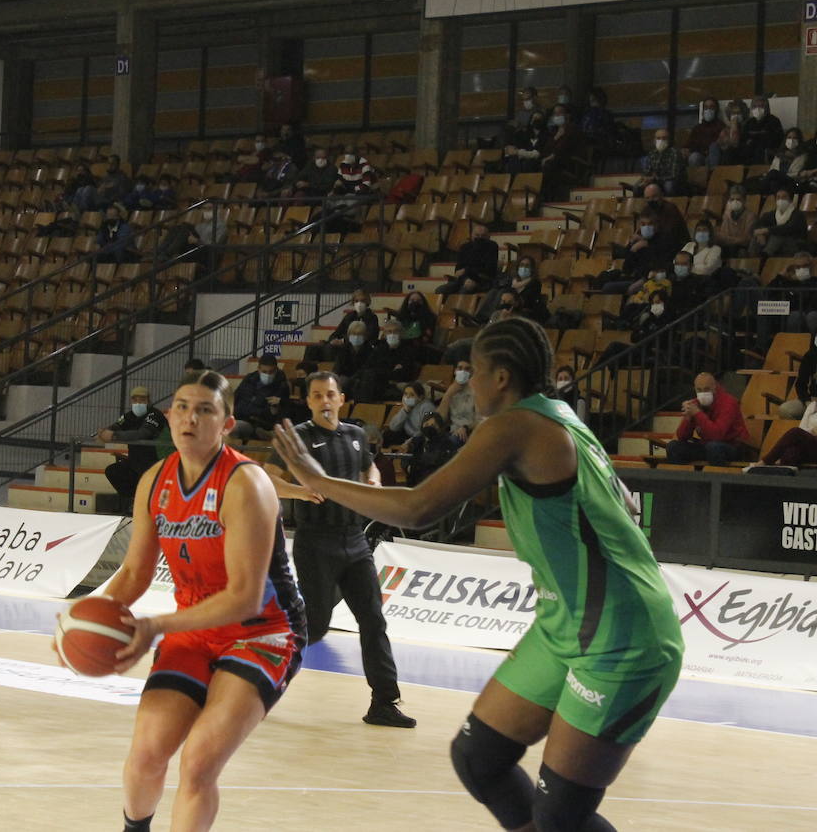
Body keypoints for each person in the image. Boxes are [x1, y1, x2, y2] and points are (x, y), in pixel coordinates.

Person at [271, 317, 682, 832]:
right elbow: (622, 502)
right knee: (478, 757)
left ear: (502, 377)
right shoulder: (561, 418)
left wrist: (319, 480)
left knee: (561, 815)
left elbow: (421, 507)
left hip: (622, 637)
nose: (463, 385)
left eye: (474, 372)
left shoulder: (515, 426)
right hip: (567, 626)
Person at [102, 370, 306, 832]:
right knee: (147, 754)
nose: (189, 417)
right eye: (181, 407)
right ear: (169, 415)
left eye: (204, 409)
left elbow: (244, 597)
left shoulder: (246, 484)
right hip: (194, 627)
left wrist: (155, 625)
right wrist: (89, 618)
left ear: (226, 424)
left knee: (197, 763)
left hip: (263, 630)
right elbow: (134, 573)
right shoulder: (154, 481)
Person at [264, 371, 414, 729]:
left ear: (341, 399)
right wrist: (300, 492)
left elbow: (370, 467)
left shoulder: (357, 435)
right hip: (317, 542)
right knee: (314, 627)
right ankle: (258, 682)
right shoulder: (296, 438)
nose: (325, 401)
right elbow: (266, 477)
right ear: (309, 401)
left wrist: (374, 482)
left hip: (355, 541)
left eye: (331, 394)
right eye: (317, 395)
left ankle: (384, 702)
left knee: (373, 618)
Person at [759, 372, 817, 467]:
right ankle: (784, 475)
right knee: (792, 451)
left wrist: (810, 432)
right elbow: (802, 429)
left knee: (795, 432)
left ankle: (765, 462)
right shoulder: (813, 405)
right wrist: (814, 430)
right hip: (807, 447)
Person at [101, 386, 170, 512]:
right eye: (135, 400)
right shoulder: (129, 416)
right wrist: (105, 432)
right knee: (113, 471)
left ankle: (146, 502)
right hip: (135, 462)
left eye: (142, 400)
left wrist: (114, 436)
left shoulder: (155, 415)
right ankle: (135, 499)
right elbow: (117, 425)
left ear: (148, 401)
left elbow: (143, 434)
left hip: (156, 463)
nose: (138, 403)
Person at [666, 372, 751, 465]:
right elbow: (682, 437)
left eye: (706, 389)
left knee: (713, 447)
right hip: (707, 446)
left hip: (733, 446)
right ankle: (683, 478)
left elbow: (717, 436)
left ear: (714, 388)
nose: (703, 393)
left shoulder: (729, 403)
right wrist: (688, 418)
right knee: (673, 446)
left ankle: (717, 479)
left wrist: (697, 413)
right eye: (699, 390)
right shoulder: (696, 404)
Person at [229, 354, 291, 442]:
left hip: (256, 423)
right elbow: (235, 397)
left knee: (231, 428)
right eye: (264, 372)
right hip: (237, 416)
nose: (268, 375)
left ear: (276, 370)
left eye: (271, 372)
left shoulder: (281, 385)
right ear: (258, 369)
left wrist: (276, 408)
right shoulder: (249, 379)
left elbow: (278, 412)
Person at [437, 222, 499, 295]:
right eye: (477, 235)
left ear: (488, 236)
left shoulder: (492, 246)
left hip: (481, 280)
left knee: (463, 291)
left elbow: (488, 269)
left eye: (483, 236)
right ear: (471, 235)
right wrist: (465, 276)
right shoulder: (464, 247)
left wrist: (467, 270)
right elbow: (458, 269)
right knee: (440, 290)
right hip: (463, 279)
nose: (480, 237)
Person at [406, 410, 463, 486]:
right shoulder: (416, 442)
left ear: (439, 428)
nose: (429, 427)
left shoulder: (446, 443)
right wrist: (408, 467)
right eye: (427, 424)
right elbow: (405, 458)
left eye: (433, 425)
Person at [382, 381, 435, 447]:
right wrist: (405, 410)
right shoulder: (407, 406)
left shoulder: (427, 407)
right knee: (387, 435)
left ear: (420, 397)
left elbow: (424, 431)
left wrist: (410, 441)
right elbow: (393, 427)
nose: (407, 397)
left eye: (412, 395)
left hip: (420, 437)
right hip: (408, 435)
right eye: (405, 394)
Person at [436, 359, 477, 441]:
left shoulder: (476, 393)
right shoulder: (451, 390)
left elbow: (480, 420)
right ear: (455, 371)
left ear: (472, 373)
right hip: (452, 430)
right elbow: (439, 419)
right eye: (460, 368)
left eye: (467, 369)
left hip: (468, 432)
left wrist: (466, 427)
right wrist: (449, 394)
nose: (463, 372)